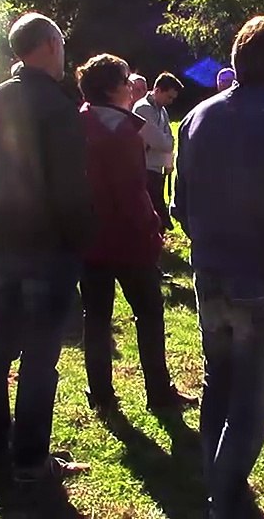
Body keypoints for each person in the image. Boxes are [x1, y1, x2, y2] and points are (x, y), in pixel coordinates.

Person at [172, 16, 264, 518]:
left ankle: (217, 481)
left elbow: (180, 202)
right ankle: (225, 495)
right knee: (253, 399)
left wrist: (210, 244)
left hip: (211, 271)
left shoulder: (199, 117)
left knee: (220, 382)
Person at [0, 13, 94, 483]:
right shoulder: (56, 105)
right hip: (49, 244)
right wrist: (80, 238)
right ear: (46, 45)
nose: (65, 53)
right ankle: (28, 458)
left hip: (6, 241)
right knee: (40, 356)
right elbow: (70, 185)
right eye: (61, 43)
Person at [77, 54, 197, 414]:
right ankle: (158, 393)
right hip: (127, 238)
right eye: (126, 80)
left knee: (96, 318)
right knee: (148, 314)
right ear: (113, 87)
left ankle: (101, 393)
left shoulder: (77, 122)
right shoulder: (125, 130)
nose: (132, 87)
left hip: (89, 236)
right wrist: (152, 228)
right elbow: (131, 190)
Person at [133, 72, 181, 232]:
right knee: (151, 208)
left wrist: (168, 160)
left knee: (156, 205)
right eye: (169, 97)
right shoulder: (143, 109)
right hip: (144, 167)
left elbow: (169, 138)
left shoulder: (162, 110)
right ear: (158, 90)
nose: (170, 101)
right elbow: (159, 140)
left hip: (156, 167)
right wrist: (167, 143)